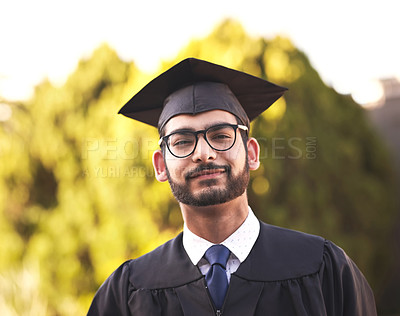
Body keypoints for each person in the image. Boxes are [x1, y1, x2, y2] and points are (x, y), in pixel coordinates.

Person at [87, 58, 377, 315]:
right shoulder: (128, 293)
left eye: (221, 135)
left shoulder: (324, 269)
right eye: (182, 141)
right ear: (160, 166)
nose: (204, 153)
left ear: (252, 153)